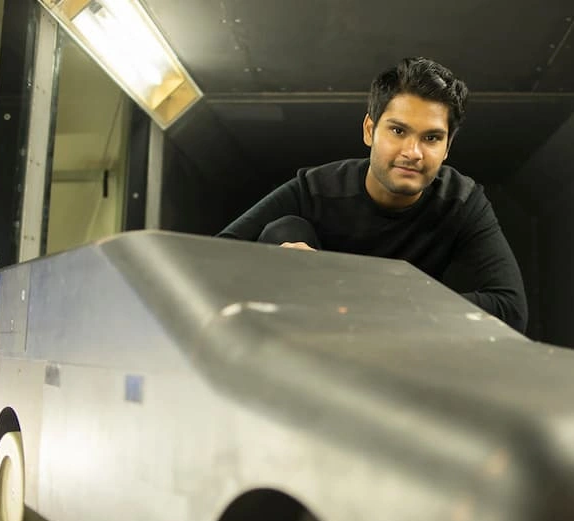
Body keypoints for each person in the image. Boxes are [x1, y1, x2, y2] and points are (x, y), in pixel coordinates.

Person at [218, 57, 528, 333]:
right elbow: (213, 256)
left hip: (401, 343)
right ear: (370, 130)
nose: (413, 152)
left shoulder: (461, 200)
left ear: (447, 147)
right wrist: (278, 270)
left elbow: (511, 310)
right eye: (398, 131)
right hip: (312, 335)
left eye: (431, 138)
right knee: (283, 231)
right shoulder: (315, 188)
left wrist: (376, 298)